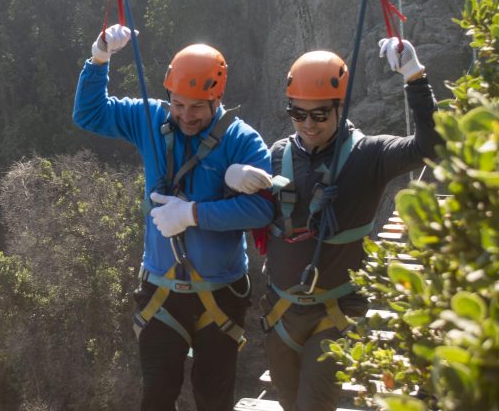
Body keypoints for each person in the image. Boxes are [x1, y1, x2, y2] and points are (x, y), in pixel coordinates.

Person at [224, 38, 441, 411]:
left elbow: (431, 147)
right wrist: (232, 178)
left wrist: (414, 76)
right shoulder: (278, 155)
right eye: (298, 113)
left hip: (336, 312)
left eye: (320, 114)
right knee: (290, 402)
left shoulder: (369, 155)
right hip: (281, 312)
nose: (308, 124)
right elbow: (239, 207)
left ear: (340, 107)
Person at [73, 24, 274, 411]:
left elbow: (262, 209)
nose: (185, 116)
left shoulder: (242, 140)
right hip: (161, 291)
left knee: (213, 398)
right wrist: (98, 59)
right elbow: (89, 114)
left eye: (197, 107)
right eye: (178, 104)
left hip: (221, 291)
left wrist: (193, 214)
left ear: (217, 98)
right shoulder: (151, 119)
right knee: (157, 394)